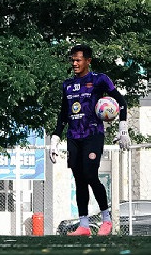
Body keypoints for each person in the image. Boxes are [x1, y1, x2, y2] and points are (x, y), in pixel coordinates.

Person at [50, 44, 129, 236]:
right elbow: (63, 114)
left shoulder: (100, 80)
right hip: (73, 137)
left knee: (90, 174)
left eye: (78, 60)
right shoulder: (67, 84)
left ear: (88, 61)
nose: (75, 63)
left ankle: (106, 220)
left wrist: (123, 128)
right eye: (73, 60)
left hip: (93, 135)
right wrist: (55, 138)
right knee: (79, 180)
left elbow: (121, 101)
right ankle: (84, 225)